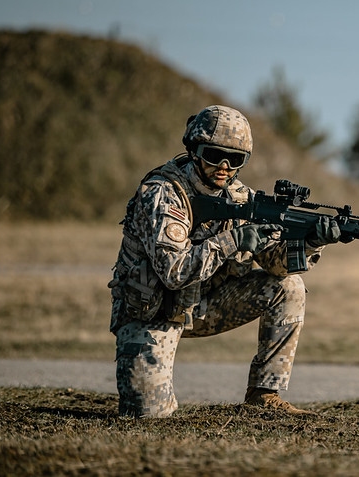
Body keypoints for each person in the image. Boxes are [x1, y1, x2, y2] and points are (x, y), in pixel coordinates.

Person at [108, 104, 341, 418]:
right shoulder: (162, 193)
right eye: (214, 155)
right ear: (194, 150)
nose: (224, 166)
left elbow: (276, 265)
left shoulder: (241, 197)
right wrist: (236, 240)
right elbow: (174, 272)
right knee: (148, 416)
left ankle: (264, 395)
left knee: (290, 286)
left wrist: (312, 242)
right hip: (153, 312)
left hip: (206, 305)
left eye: (236, 160)